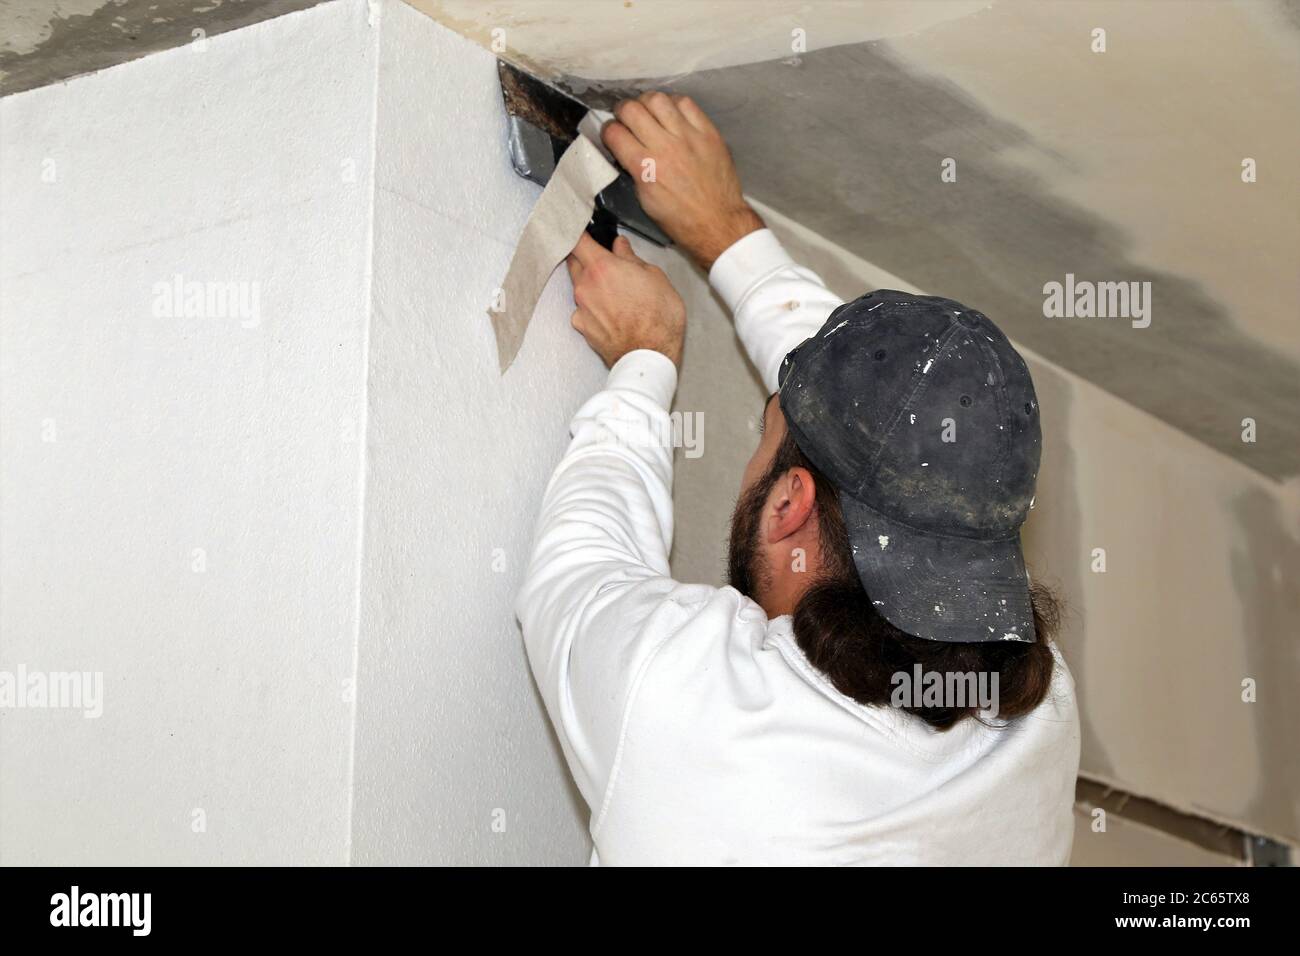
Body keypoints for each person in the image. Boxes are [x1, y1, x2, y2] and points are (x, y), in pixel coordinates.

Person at [516, 91, 1080, 865]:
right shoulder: (1033, 724)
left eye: (766, 430)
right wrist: (726, 235)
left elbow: (580, 568)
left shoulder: (695, 708)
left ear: (789, 505)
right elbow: (892, 419)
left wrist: (646, 358)